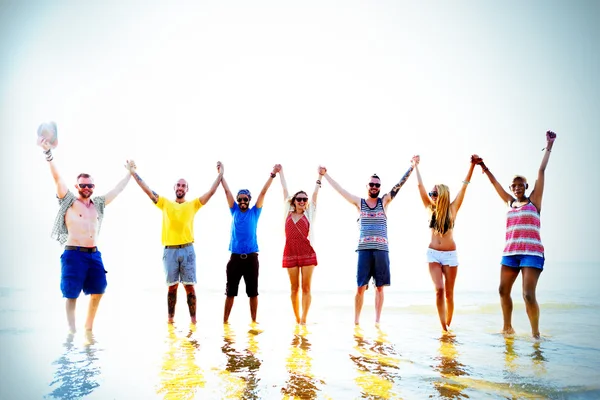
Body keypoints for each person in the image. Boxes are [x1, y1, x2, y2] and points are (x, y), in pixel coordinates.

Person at [39, 138, 133, 333]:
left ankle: (88, 327)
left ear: (93, 186)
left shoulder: (98, 204)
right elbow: (57, 179)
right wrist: (48, 155)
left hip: (93, 254)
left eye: (90, 185)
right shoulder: (69, 201)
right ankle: (71, 331)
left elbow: (117, 190)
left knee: (99, 289)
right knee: (71, 294)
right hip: (73, 254)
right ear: (77, 186)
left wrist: (130, 174)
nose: (87, 188)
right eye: (83, 185)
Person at [476, 130, 557, 338]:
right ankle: (507, 328)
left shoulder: (534, 202)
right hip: (510, 252)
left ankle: (535, 335)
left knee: (528, 295)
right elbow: (495, 184)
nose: (518, 187)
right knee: (503, 290)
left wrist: (549, 146)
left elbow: (541, 171)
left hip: (532, 252)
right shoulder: (510, 202)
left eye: (521, 184)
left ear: (526, 187)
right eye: (515, 185)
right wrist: (483, 167)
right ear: (512, 188)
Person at [322, 157, 417, 325]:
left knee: (379, 287)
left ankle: (377, 322)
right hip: (364, 250)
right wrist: (325, 175)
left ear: (380, 187)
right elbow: (341, 190)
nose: (374, 187)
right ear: (367, 186)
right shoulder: (359, 203)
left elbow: (399, 185)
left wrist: (412, 166)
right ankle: (356, 322)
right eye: (371, 184)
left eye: (377, 185)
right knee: (360, 287)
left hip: (381, 250)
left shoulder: (384, 201)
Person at [127, 160, 223, 324]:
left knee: (190, 287)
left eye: (183, 186)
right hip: (170, 251)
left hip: (187, 250)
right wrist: (132, 172)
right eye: (178, 185)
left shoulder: (193, 205)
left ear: (186, 189)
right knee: (172, 287)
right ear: (174, 188)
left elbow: (211, 192)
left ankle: (193, 322)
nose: (180, 188)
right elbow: (147, 190)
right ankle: (170, 321)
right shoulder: (165, 203)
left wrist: (221, 174)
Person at [413, 154, 479, 331]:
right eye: (431, 193)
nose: (432, 196)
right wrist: (415, 166)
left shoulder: (453, 209)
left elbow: (464, 187)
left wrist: (472, 165)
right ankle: (443, 328)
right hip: (433, 254)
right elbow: (420, 186)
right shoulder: (429, 209)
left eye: (434, 193)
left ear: (442, 194)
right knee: (439, 290)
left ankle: (449, 326)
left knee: (449, 294)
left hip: (450, 256)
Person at [220, 163, 282, 324]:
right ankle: (225, 323)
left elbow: (263, 192)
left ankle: (254, 322)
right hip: (234, 258)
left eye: (245, 199)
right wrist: (221, 174)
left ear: (249, 200)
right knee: (230, 293)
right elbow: (226, 191)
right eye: (239, 199)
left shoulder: (255, 211)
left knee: (253, 293)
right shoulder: (233, 210)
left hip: (251, 259)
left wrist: (273, 174)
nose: (242, 201)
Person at [277, 165, 325, 325]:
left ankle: (304, 319)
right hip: (290, 252)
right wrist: (281, 172)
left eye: (305, 199)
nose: (303, 201)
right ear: (294, 201)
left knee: (306, 288)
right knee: (294, 288)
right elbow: (284, 190)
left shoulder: (310, 214)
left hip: (307, 252)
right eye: (299, 199)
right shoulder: (287, 212)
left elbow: (315, 194)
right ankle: (297, 318)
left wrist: (320, 177)